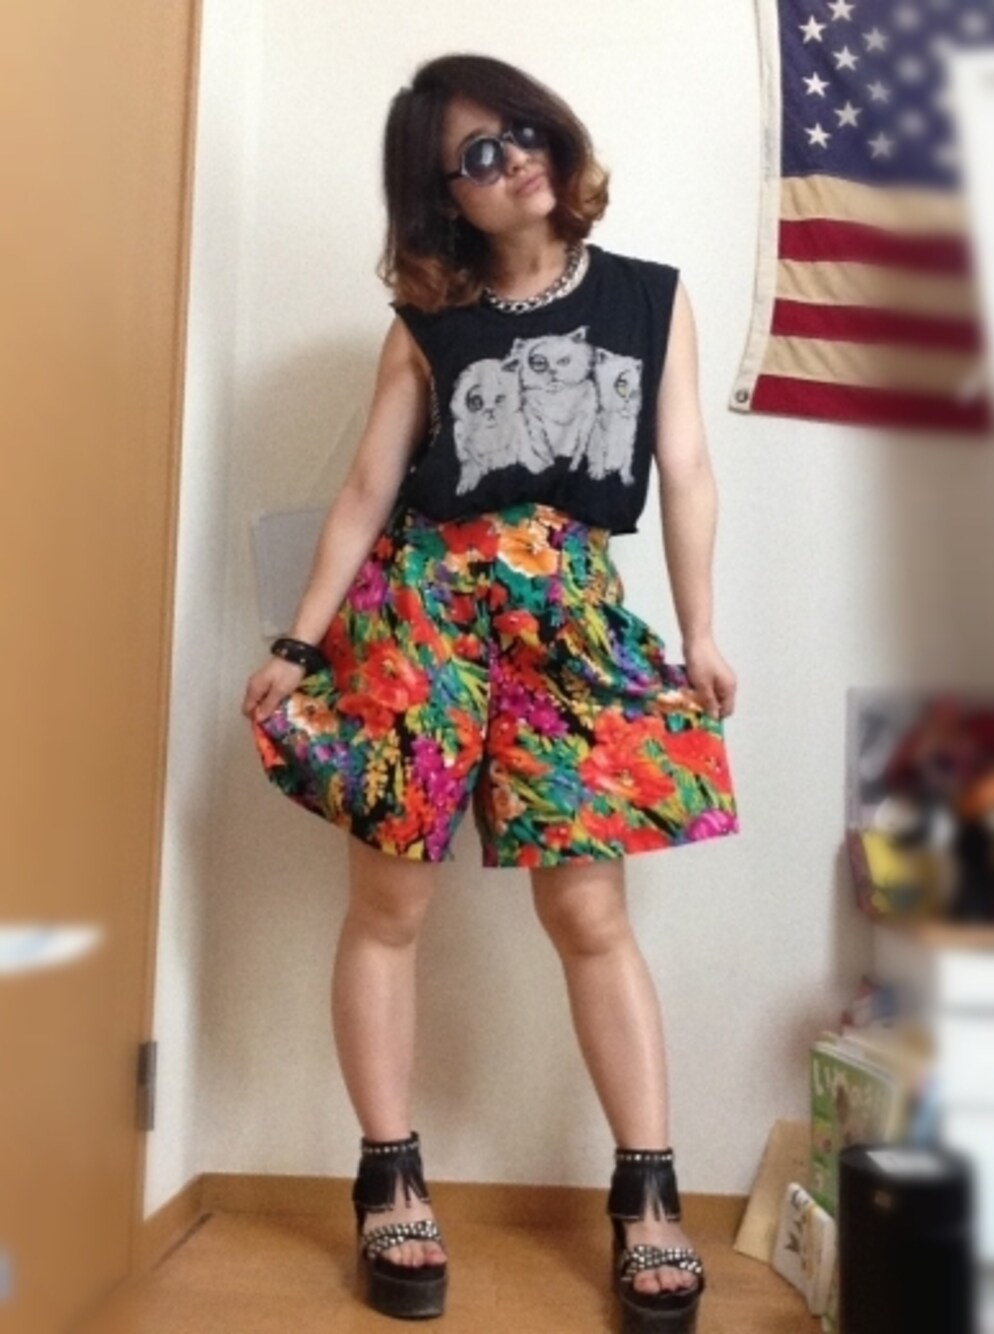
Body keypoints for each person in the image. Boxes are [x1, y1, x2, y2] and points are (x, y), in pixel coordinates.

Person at [241, 52, 739, 1331]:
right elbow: (366, 489)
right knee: (390, 900)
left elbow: (685, 468)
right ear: (443, 197)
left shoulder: (648, 296)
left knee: (589, 908)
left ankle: (647, 1194)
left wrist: (699, 630)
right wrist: (297, 643)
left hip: (567, 611)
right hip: (423, 607)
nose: (511, 156)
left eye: (519, 128)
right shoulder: (427, 324)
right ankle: (390, 1176)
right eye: (474, 152)